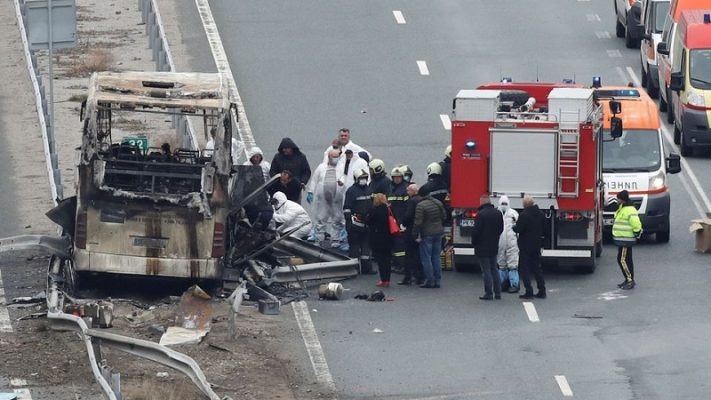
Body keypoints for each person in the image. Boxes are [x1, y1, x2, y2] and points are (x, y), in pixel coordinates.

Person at [307, 149, 346, 246]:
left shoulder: (342, 168)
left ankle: (336, 240)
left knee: (337, 218)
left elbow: (345, 178)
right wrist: (310, 191)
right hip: (323, 198)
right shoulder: (321, 167)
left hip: (336, 198)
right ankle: (319, 239)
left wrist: (342, 182)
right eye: (334, 157)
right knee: (321, 218)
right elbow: (314, 180)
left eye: (337, 157)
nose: (336, 159)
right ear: (329, 157)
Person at [471, 195, 504, 301]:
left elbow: (476, 231)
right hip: (494, 244)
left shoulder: (481, 214)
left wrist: (474, 242)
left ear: (482, 203)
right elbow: (501, 228)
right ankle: (498, 292)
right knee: (494, 268)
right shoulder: (498, 213)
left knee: (486, 270)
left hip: (482, 246)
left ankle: (489, 293)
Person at [413, 187, 447, 288]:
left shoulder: (421, 205)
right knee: (436, 257)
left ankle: (429, 281)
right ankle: (437, 280)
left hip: (426, 234)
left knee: (426, 258)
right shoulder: (438, 202)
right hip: (438, 232)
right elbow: (444, 217)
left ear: (420, 195)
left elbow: (418, 222)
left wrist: (415, 234)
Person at [514, 195, 546, 299]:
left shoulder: (524, 215)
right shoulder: (541, 214)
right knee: (537, 268)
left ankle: (529, 290)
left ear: (525, 204)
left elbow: (518, 229)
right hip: (537, 244)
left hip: (525, 246)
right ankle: (542, 290)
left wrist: (513, 226)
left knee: (525, 269)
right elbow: (545, 229)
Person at [344, 168, 374, 274]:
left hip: (367, 224)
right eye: (361, 178)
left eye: (365, 178)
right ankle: (353, 269)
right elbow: (347, 208)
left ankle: (367, 269)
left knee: (366, 247)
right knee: (354, 247)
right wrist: (349, 223)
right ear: (356, 179)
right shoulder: (351, 191)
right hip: (355, 224)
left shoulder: (369, 189)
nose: (364, 180)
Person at [612, 190, 642, 290]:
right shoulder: (623, 208)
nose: (617, 200)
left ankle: (630, 280)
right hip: (622, 238)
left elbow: (636, 223)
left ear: (622, 200)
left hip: (626, 239)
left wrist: (637, 232)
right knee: (626, 259)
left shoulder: (629, 210)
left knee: (622, 259)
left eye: (618, 198)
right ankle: (627, 279)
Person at [269, 138, 311, 202]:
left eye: (286, 148)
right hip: (280, 187)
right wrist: (280, 181)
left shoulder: (301, 157)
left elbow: (306, 171)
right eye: (283, 148)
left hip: (295, 188)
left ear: (291, 148)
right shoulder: (277, 157)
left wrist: (303, 181)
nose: (284, 150)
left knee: (295, 207)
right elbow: (272, 171)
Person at [368, 194, 395, 288]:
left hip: (378, 239)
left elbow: (369, 222)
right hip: (389, 238)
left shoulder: (374, 210)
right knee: (387, 260)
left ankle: (383, 280)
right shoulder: (388, 209)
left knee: (381, 261)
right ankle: (387, 280)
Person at [399, 183, 424, 285]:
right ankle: (419, 277)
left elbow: (408, 216)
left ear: (413, 191)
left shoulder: (411, 201)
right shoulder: (421, 200)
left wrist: (403, 224)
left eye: (408, 190)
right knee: (418, 255)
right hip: (420, 231)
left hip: (410, 231)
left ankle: (407, 277)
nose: (407, 192)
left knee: (409, 255)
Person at [387, 166, 409, 273]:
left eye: (399, 177)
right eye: (395, 177)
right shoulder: (389, 187)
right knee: (394, 244)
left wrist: (403, 222)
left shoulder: (405, 188)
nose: (397, 179)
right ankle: (396, 263)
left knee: (400, 245)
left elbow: (407, 207)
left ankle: (402, 265)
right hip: (392, 221)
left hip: (401, 221)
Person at [497, 196, 520, 293]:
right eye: (502, 204)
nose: (504, 206)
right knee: (501, 264)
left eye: (505, 204)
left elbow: (518, 229)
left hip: (512, 242)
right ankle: (503, 284)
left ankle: (514, 285)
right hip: (500, 243)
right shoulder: (496, 213)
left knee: (513, 264)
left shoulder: (513, 214)